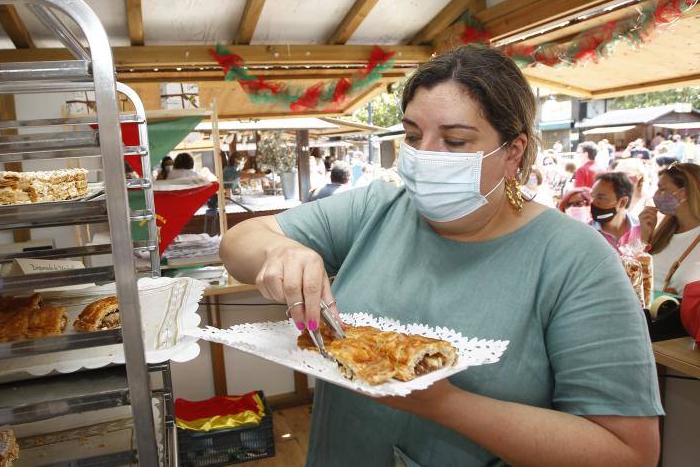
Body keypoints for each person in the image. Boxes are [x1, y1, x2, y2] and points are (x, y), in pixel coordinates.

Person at [220, 45, 660, 466]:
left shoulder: (576, 260)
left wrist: (445, 403)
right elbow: (240, 243)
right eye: (413, 136)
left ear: (513, 152)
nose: (424, 157)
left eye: (453, 142)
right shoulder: (379, 208)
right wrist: (281, 251)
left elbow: (628, 452)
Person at [640, 162, 700, 295]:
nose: (656, 195)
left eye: (662, 189)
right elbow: (636, 274)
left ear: (683, 193)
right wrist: (644, 237)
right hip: (649, 312)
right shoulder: (664, 231)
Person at [590, 172, 640, 250]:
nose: (593, 203)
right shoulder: (587, 232)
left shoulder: (641, 231)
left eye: (601, 198)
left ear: (622, 202)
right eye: (593, 196)